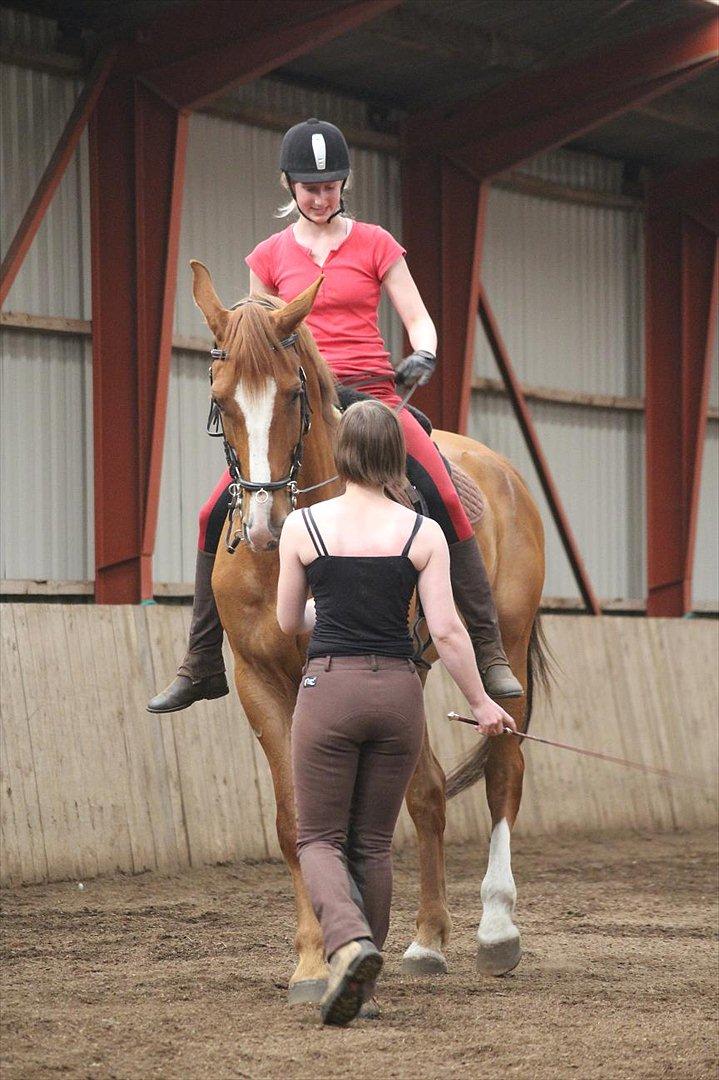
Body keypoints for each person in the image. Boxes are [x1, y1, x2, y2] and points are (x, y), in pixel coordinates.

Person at [147, 117, 522, 714]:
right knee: (210, 510)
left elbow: (418, 317)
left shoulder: (376, 244)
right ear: (289, 186)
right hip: (302, 397)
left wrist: (422, 353)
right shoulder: (268, 255)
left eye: (330, 186)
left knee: (444, 491)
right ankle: (200, 660)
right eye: (308, 187)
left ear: (343, 185)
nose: (320, 197)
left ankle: (488, 645)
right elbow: (258, 334)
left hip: (372, 394)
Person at [276, 399, 517, 1026]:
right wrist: (482, 703)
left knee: (320, 838)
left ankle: (349, 945)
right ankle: (367, 983)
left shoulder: (305, 527)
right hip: (399, 695)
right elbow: (449, 631)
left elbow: (285, 622)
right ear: (397, 458)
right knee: (375, 842)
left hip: (329, 690)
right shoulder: (424, 532)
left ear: (342, 454)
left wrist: (327, 617)